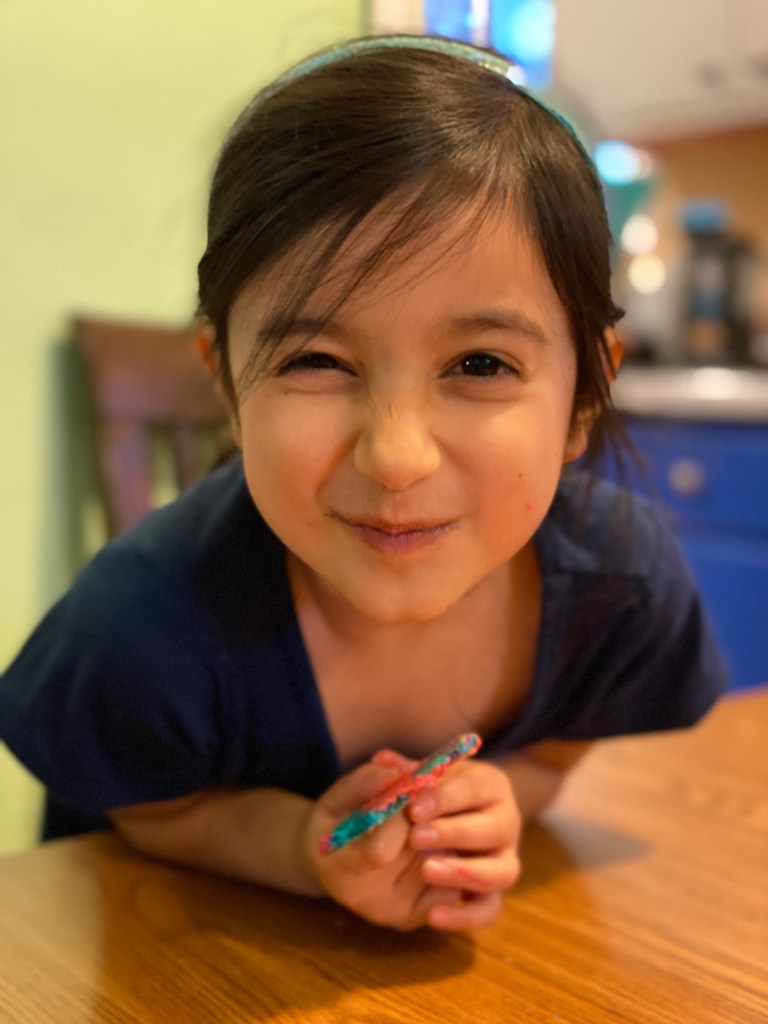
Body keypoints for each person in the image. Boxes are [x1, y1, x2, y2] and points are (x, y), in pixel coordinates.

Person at [0, 35, 726, 932]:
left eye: (481, 363)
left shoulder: (618, 586)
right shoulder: (142, 624)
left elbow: (559, 749)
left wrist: (498, 796)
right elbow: (150, 808)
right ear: (227, 384)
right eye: (316, 359)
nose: (396, 455)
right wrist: (298, 847)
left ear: (586, 394)